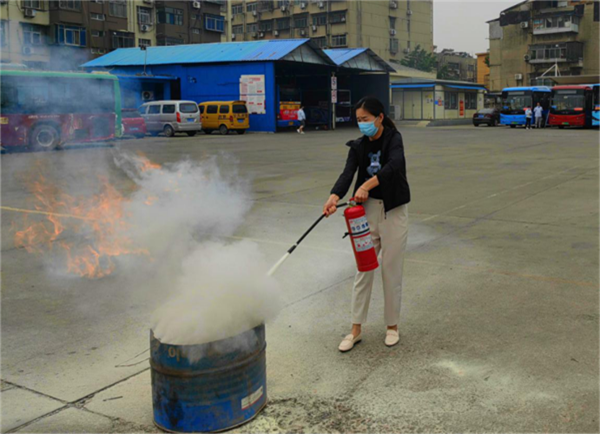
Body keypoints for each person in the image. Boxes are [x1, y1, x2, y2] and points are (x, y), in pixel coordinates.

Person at [323, 96, 410, 353]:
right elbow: (347, 173)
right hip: (366, 213)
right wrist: (334, 196)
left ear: (380, 118)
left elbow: (394, 165)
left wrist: (367, 185)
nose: (362, 124)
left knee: (391, 270)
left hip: (393, 211)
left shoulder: (394, 139)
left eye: (366, 119)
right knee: (364, 268)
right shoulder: (358, 146)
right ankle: (355, 329)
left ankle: (392, 326)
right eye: (359, 120)